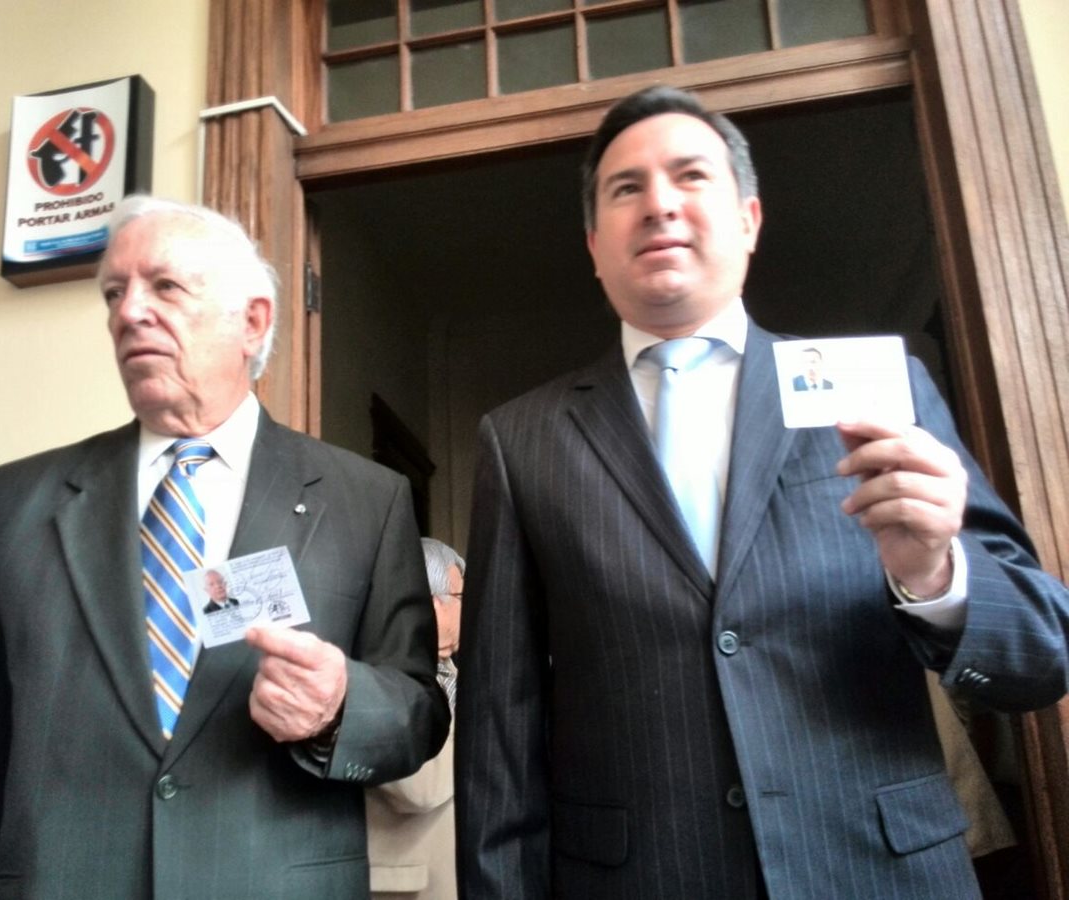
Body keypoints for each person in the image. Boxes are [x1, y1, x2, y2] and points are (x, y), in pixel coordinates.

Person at [454, 85, 1069, 900]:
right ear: (595, 244)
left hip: (878, 872)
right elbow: (500, 722)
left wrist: (935, 574)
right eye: (626, 188)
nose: (659, 204)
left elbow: (1042, 655)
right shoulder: (521, 439)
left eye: (690, 176)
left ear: (748, 219)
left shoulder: (883, 390)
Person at [0, 195, 449, 899]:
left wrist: (339, 708)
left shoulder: (367, 500)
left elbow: (419, 715)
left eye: (165, 286)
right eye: (114, 293)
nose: (129, 312)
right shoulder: (15, 503)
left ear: (253, 321)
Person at [366, 537, 463, 900]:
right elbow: (419, 788)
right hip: (410, 888)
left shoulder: (453, 671)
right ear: (431, 602)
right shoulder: (381, 674)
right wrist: (490, 734)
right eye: (462, 597)